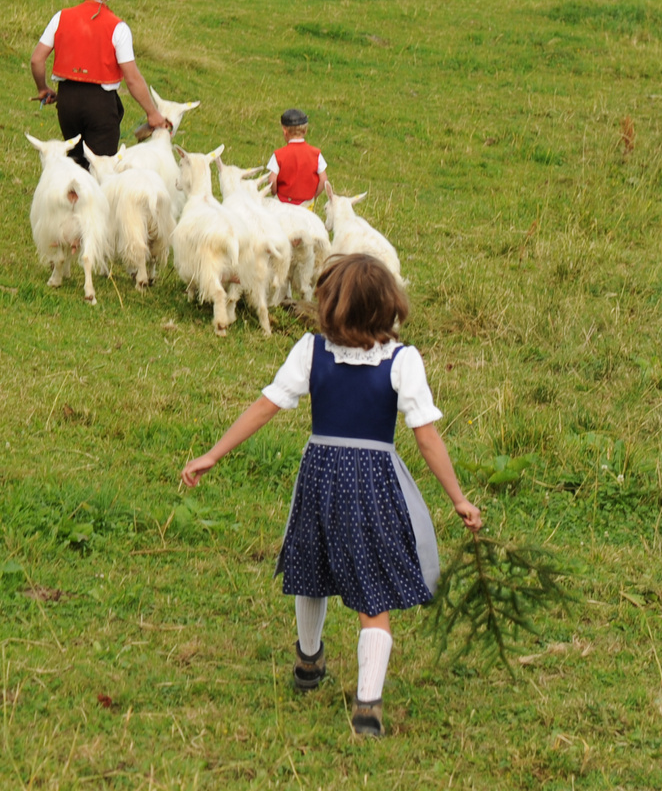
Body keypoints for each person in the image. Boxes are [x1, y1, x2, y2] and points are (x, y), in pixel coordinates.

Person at [179, 254, 483, 737]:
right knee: (373, 595)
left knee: (310, 569)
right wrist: (459, 499)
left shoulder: (311, 350)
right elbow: (426, 437)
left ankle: (308, 662)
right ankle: (367, 706)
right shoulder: (403, 360)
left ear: (330, 305)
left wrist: (213, 454)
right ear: (390, 307)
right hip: (374, 486)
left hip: (320, 475)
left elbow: (267, 405)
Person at [29, 0, 169, 167]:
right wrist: (152, 113)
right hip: (100, 105)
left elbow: (36, 59)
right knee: (101, 169)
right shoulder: (118, 27)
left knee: (75, 164)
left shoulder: (61, 17)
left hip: (67, 102)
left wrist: (42, 88)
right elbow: (132, 78)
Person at [267, 108, 328, 206]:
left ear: (284, 131)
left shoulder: (278, 154)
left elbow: (271, 180)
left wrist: (275, 194)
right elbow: (324, 179)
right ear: (305, 131)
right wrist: (313, 197)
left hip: (282, 203)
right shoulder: (316, 154)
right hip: (305, 204)